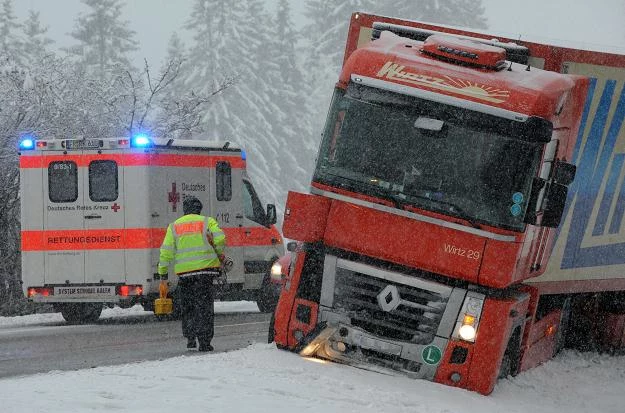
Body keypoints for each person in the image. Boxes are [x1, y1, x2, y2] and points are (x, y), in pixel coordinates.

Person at [157, 196, 226, 352]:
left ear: (185, 210)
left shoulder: (174, 226)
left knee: (188, 307)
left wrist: (163, 273)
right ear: (199, 209)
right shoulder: (208, 222)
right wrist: (218, 253)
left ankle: (190, 338)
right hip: (205, 273)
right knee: (204, 308)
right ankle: (205, 342)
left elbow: (166, 252)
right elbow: (220, 238)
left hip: (185, 275)